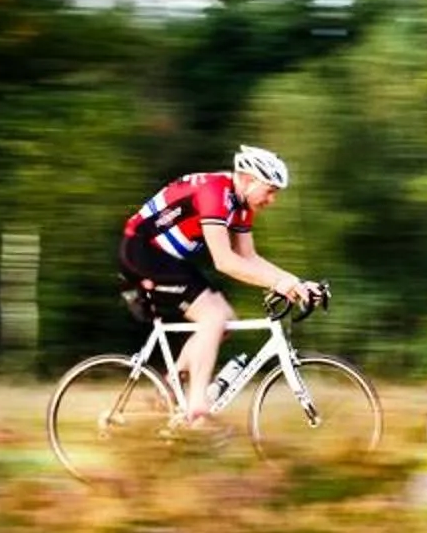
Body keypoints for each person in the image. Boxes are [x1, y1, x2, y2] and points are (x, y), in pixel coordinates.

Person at [118, 145, 317, 427]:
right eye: (270, 190)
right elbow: (225, 261)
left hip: (168, 259)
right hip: (142, 251)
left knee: (224, 320)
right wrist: (280, 283)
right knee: (213, 317)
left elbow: (248, 258)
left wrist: (295, 283)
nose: (272, 200)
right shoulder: (215, 194)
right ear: (248, 180)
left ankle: (169, 390)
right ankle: (197, 405)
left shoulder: (241, 204)